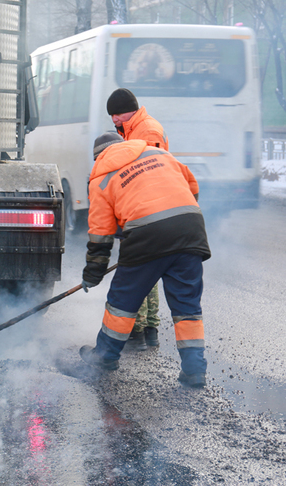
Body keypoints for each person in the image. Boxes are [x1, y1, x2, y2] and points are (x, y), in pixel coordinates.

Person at [79, 132, 211, 388]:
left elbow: (100, 236)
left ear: (98, 157)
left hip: (147, 236)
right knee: (187, 308)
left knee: (122, 302)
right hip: (190, 229)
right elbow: (192, 187)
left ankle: (104, 358)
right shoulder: (159, 154)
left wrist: (92, 274)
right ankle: (195, 371)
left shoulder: (101, 179)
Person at [107, 88, 169, 350]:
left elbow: (148, 173)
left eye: (117, 115)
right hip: (145, 208)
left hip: (147, 210)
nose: (114, 121)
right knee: (147, 270)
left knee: (137, 269)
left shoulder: (148, 131)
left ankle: (140, 330)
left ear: (129, 110)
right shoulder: (134, 129)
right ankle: (148, 330)